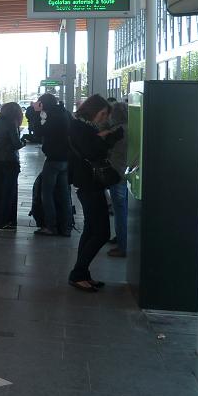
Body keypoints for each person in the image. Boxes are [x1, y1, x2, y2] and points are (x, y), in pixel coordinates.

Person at [68, 94, 121, 292]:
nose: (104, 118)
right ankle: (77, 274)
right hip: (89, 184)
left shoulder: (81, 126)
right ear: (94, 110)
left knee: (91, 230)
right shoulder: (80, 127)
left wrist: (102, 137)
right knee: (102, 233)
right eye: (103, 113)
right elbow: (92, 152)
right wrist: (109, 139)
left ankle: (82, 273)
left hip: (89, 183)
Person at [35, 93, 72, 237]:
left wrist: (36, 113)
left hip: (53, 159)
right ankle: (66, 227)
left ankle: (51, 226)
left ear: (44, 104)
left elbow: (39, 132)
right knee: (64, 194)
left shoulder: (53, 116)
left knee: (47, 193)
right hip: (65, 159)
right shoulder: (64, 113)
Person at [0, 102, 25, 230]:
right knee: (8, 192)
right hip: (9, 162)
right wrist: (24, 141)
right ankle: (4, 221)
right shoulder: (11, 124)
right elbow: (16, 144)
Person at [106, 101, 129, 258]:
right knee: (124, 209)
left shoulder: (116, 131)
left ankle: (122, 245)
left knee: (119, 211)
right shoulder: (132, 128)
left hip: (116, 174)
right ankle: (122, 238)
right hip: (128, 173)